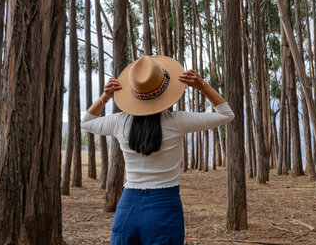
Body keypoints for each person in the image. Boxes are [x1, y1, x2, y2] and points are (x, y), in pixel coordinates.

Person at [81, 55, 234, 245]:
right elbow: (226, 114)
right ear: (165, 92)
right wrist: (202, 85)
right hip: (164, 206)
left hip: (127, 208)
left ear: (134, 92)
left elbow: (86, 122)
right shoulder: (177, 121)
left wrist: (105, 97)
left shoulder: (119, 121)